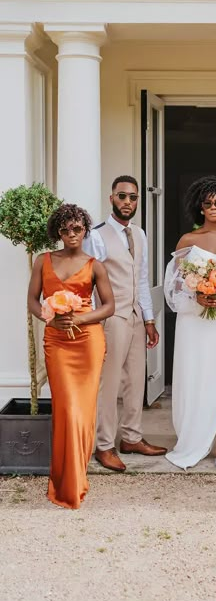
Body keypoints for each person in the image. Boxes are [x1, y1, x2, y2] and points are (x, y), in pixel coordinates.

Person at [28, 204, 115, 509]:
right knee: (66, 409)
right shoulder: (43, 261)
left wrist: (79, 318)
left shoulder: (95, 265)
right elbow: (33, 300)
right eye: (66, 229)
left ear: (85, 230)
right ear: (58, 232)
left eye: (78, 228)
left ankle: (77, 477)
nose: (72, 233)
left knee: (84, 411)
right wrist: (49, 318)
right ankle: (66, 482)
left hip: (88, 341)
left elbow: (109, 306)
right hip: (57, 343)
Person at [83, 175, 167, 472]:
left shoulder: (140, 234)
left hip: (134, 316)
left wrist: (149, 319)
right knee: (109, 384)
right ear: (112, 199)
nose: (128, 202)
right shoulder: (95, 235)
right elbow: (87, 282)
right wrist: (93, 321)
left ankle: (131, 437)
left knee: (136, 378)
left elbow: (141, 279)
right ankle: (104, 445)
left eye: (132, 198)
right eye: (122, 196)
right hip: (110, 317)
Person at [164, 176, 216, 471]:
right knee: (191, 376)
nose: (212, 207)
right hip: (192, 321)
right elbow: (175, 285)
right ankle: (189, 438)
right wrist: (198, 296)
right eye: (207, 203)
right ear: (200, 206)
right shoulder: (187, 241)